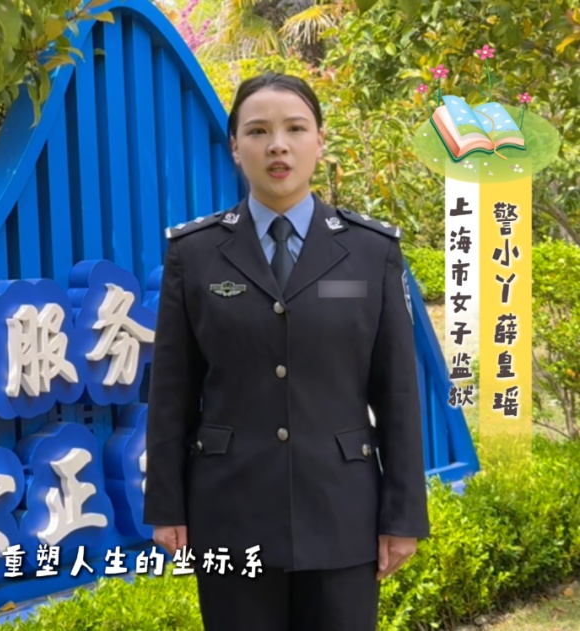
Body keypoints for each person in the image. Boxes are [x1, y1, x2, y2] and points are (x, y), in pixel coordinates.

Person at [143, 72, 431, 631]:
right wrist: (167, 506)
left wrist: (403, 515)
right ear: (235, 147)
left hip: (342, 512)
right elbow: (172, 391)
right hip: (231, 511)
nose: (278, 145)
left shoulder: (369, 251)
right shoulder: (195, 254)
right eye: (258, 131)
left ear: (319, 140)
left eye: (295, 129)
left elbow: (396, 390)